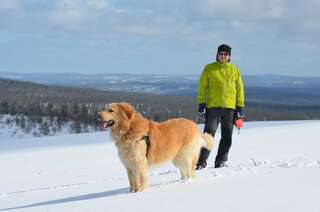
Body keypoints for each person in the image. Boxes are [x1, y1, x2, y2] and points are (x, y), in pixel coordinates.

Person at [196, 44, 245, 169]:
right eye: (221, 54)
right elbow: (202, 87)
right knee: (208, 135)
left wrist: (240, 106)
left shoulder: (234, 70)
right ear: (217, 55)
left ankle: (221, 161)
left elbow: (240, 89)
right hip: (213, 107)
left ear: (229, 56)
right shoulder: (209, 68)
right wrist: (202, 103)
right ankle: (201, 162)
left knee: (227, 136)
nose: (223, 56)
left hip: (230, 108)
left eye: (225, 54)